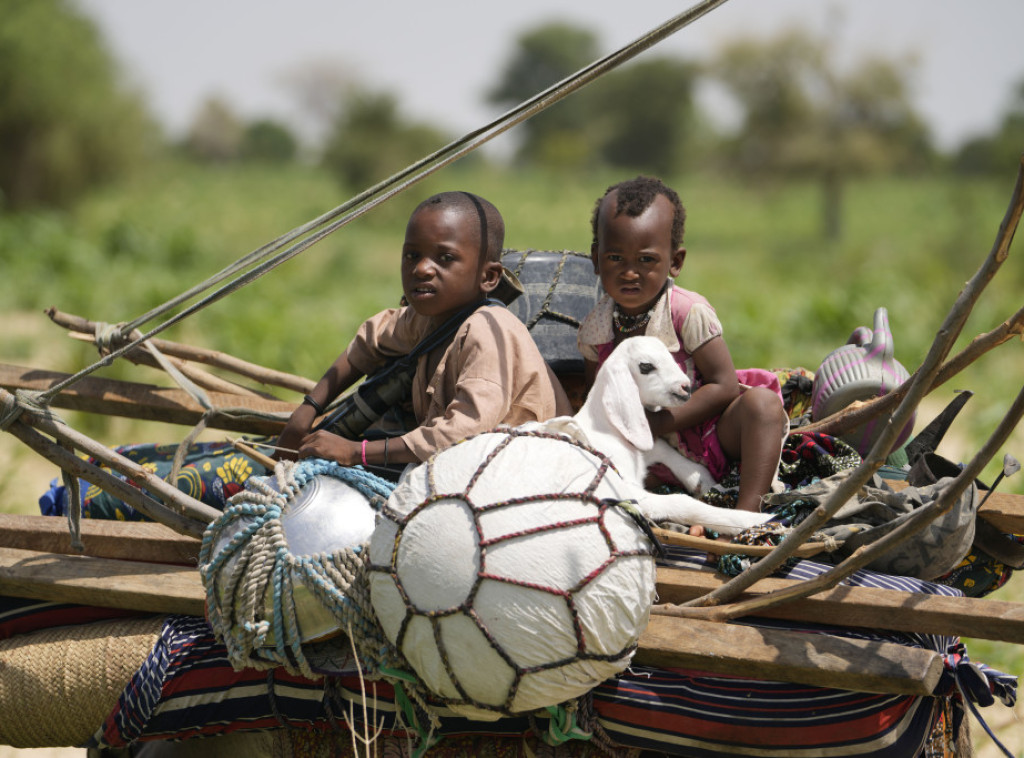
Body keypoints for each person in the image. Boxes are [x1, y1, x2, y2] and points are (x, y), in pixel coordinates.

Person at [277, 190, 572, 469]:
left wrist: (356, 452)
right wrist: (308, 410)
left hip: (522, 472)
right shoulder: (429, 318)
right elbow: (371, 339)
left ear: (489, 276)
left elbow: (463, 432)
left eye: (445, 258)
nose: (421, 269)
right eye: (412, 255)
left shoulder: (488, 331)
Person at [577, 176, 787, 515]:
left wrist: (660, 423)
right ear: (596, 259)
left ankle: (746, 515)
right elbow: (597, 397)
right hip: (647, 450)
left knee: (762, 406)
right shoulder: (596, 329)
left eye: (646, 260)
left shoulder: (686, 312)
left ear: (675, 261)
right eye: (615, 258)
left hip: (710, 434)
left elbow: (724, 386)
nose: (630, 273)